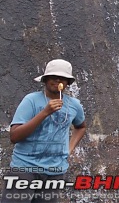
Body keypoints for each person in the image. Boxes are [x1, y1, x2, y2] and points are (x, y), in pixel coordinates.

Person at [1, 59, 86, 203]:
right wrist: (45, 112)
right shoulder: (31, 100)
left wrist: (68, 149)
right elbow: (14, 136)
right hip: (25, 169)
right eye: (53, 76)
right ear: (45, 79)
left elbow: (81, 127)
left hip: (55, 172)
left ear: (68, 82)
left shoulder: (74, 105)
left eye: (63, 77)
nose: (58, 80)